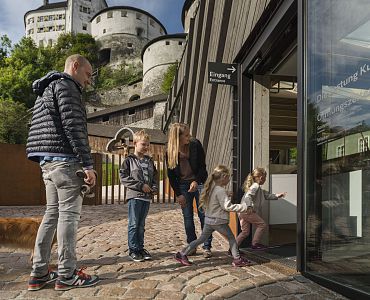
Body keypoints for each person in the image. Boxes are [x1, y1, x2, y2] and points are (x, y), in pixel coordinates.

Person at [26, 54, 99, 291]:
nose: (88, 81)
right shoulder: (67, 87)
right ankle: (67, 274)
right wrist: (87, 165)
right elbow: (74, 127)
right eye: (87, 75)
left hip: (47, 163)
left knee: (51, 216)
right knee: (68, 217)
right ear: (75, 66)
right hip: (66, 164)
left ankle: (39, 273)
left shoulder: (46, 90)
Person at [174, 165, 252, 267]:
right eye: (228, 177)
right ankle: (237, 259)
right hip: (218, 221)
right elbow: (227, 206)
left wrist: (226, 194)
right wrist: (245, 207)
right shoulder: (221, 191)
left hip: (209, 220)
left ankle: (182, 254)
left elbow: (217, 199)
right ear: (223, 177)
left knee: (201, 239)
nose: (229, 179)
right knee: (232, 238)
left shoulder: (213, 189)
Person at [166, 123, 212, 258]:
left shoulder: (195, 144)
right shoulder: (170, 151)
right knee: (187, 217)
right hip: (182, 186)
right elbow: (171, 176)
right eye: (186, 135)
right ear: (177, 137)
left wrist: (196, 181)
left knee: (204, 215)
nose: (189, 137)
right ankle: (192, 246)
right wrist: (178, 194)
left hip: (199, 183)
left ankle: (207, 246)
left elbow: (203, 167)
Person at [120, 130, 158, 262]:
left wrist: (154, 188)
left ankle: (141, 248)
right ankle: (133, 249)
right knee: (134, 223)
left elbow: (155, 177)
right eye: (143, 144)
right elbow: (124, 178)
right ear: (135, 144)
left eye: (148, 145)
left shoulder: (149, 161)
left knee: (141, 224)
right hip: (135, 197)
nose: (146, 147)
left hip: (146, 198)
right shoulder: (129, 161)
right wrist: (141, 186)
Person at [236, 167, 286, 250]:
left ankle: (232, 249)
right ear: (261, 177)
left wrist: (277, 195)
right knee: (262, 224)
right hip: (247, 211)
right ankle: (255, 243)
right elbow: (248, 196)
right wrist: (249, 206)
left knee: (245, 232)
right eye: (265, 177)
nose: (265, 179)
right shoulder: (255, 186)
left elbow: (266, 196)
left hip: (242, 211)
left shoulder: (256, 187)